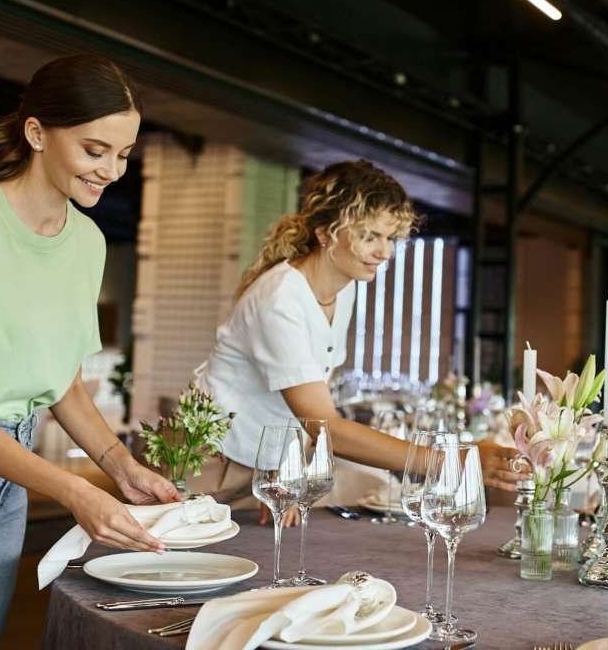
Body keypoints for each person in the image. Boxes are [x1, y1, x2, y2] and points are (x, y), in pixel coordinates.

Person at [0, 55, 179, 650]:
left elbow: (63, 384)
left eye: (124, 154)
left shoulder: (87, 242)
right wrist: (74, 488)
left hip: (12, 468)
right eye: (94, 150)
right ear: (37, 134)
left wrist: (118, 467)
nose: (111, 170)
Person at [197, 160, 520, 525]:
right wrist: (454, 459)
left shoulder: (343, 288)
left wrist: (283, 470)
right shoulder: (280, 299)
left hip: (261, 466)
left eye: (390, 238)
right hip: (212, 465)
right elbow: (325, 425)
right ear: (325, 232)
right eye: (370, 236)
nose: (384, 252)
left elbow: (300, 404)